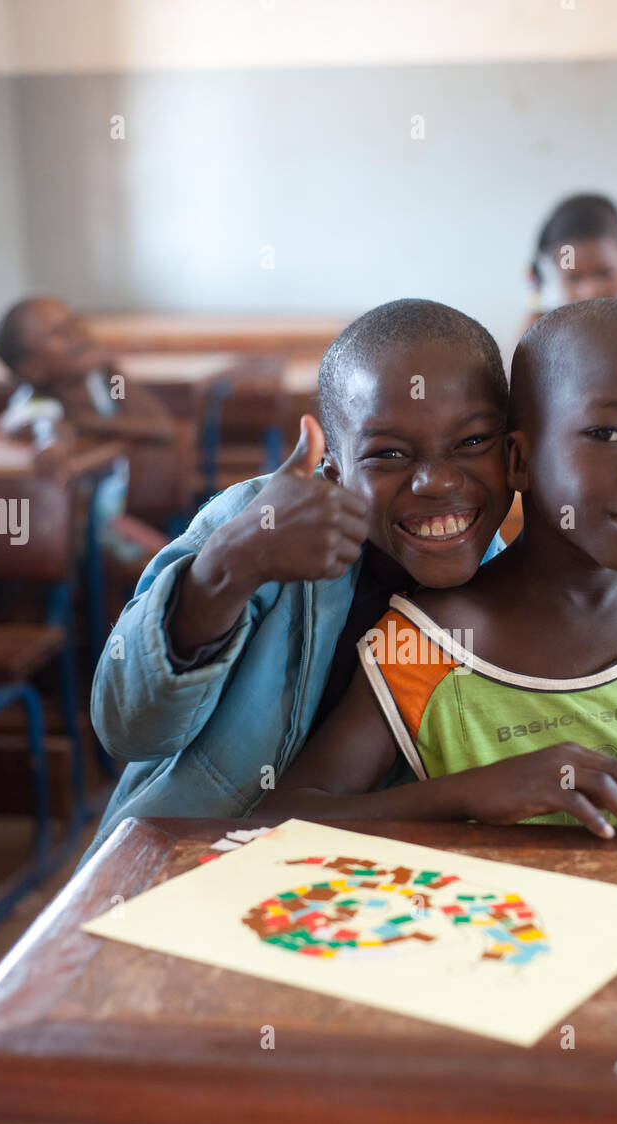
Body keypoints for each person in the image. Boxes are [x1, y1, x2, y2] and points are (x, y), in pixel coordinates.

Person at [260, 298, 617, 835]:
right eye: (607, 432)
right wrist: (468, 794)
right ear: (518, 458)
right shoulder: (426, 646)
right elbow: (279, 816)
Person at [78, 299, 512, 865]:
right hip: (178, 862)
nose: (434, 481)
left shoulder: (515, 592)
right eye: (388, 453)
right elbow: (126, 728)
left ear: (514, 449)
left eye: (473, 442)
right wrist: (231, 567)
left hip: (371, 899)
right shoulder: (254, 523)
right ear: (332, 470)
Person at [0, 296, 189, 533]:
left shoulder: (108, 380)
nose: (78, 335)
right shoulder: (39, 400)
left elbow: (160, 427)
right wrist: (55, 438)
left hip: (137, 508)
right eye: (58, 333)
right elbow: (42, 424)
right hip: (78, 525)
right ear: (32, 369)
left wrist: (87, 420)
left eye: (75, 323)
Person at [526, 194, 617, 318]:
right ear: (555, 265)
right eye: (574, 278)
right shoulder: (539, 331)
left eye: (603, 273)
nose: (590, 292)